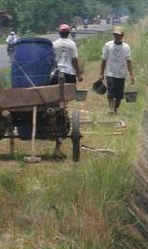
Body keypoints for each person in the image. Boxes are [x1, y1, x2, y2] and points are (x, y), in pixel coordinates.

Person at [51, 24, 83, 158]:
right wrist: (79, 74)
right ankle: (62, 107)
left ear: (59, 33)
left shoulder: (54, 44)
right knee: (65, 100)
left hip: (55, 74)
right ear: (69, 33)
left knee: (53, 97)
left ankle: (55, 106)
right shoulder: (72, 44)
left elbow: (51, 59)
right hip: (69, 74)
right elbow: (75, 60)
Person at [98, 26, 135, 114]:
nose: (117, 37)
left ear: (122, 36)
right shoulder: (108, 45)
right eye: (115, 35)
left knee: (119, 95)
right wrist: (101, 73)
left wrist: (131, 75)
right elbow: (104, 60)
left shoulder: (126, 47)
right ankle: (111, 110)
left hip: (121, 73)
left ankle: (115, 108)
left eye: (119, 35)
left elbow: (129, 61)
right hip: (110, 73)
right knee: (110, 93)